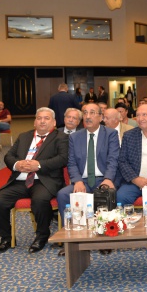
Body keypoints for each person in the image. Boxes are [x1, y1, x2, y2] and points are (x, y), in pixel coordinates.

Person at [0, 107, 68, 254]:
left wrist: (39, 165)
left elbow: (63, 158)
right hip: (20, 180)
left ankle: (42, 236)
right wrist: (17, 164)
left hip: (44, 180)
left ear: (54, 122)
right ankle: (6, 238)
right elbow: (8, 156)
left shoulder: (61, 137)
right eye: (39, 118)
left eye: (46, 118)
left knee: (39, 200)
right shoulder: (24, 136)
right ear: (34, 122)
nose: (42, 121)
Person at [55, 103, 119, 255]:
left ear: (100, 117)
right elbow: (71, 163)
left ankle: (104, 240)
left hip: (103, 179)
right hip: (82, 181)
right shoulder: (75, 137)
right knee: (63, 195)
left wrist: (108, 178)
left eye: (92, 113)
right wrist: (77, 180)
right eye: (85, 113)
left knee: (105, 193)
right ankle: (72, 239)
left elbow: (113, 159)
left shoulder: (110, 134)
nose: (88, 116)